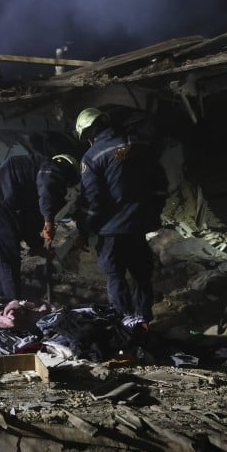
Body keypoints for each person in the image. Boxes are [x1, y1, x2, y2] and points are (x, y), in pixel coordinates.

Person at [74, 107, 168, 323]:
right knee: (141, 275)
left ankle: (124, 324)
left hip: (111, 230)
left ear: (89, 134)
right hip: (138, 226)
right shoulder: (140, 145)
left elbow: (92, 201)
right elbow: (160, 184)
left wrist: (84, 228)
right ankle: (144, 320)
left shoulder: (92, 156)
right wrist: (153, 211)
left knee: (115, 275)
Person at [0, 153, 79, 304]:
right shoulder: (52, 167)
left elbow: (27, 220)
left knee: (1, 254)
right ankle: (15, 306)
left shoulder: (29, 178)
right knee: (9, 257)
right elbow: (47, 186)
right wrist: (48, 220)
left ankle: (1, 297)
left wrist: (37, 245)